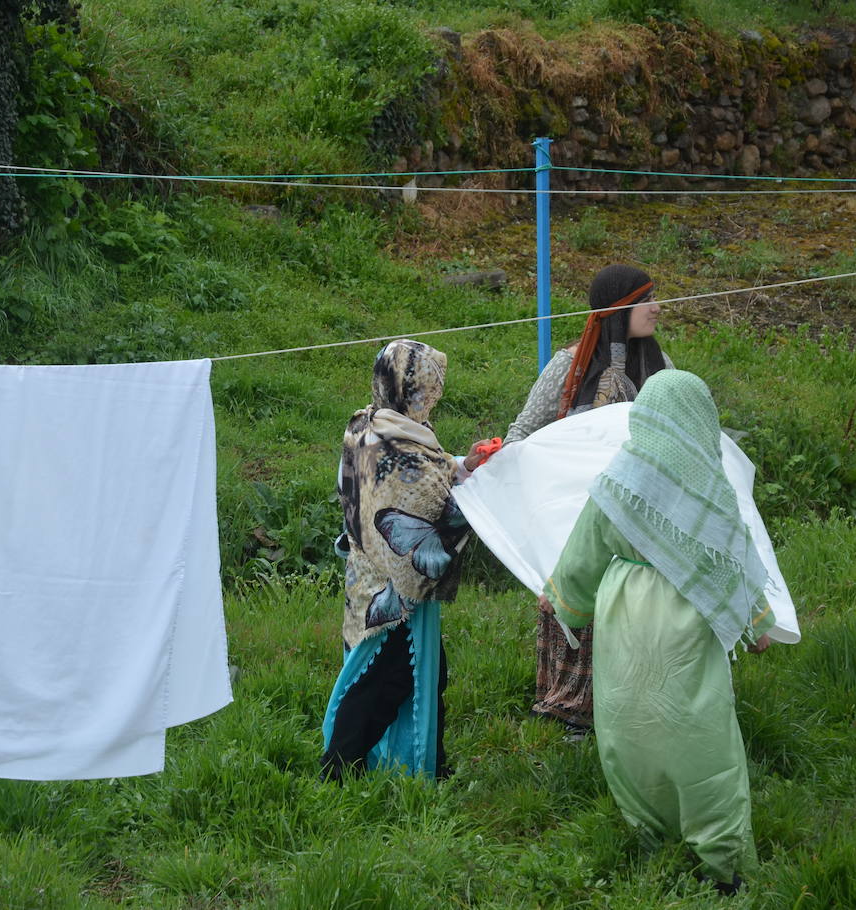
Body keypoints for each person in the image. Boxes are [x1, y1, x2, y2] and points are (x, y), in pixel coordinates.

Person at [539, 370, 774, 895]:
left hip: (625, 618)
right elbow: (731, 556)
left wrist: (568, 609)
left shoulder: (618, 484)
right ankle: (722, 859)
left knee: (630, 724)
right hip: (689, 622)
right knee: (700, 730)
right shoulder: (708, 489)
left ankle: (649, 833)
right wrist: (755, 623)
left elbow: (582, 557)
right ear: (700, 420)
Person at [509, 264, 669, 739]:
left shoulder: (662, 371)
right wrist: (497, 466)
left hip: (639, 524)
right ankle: (573, 709)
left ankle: (633, 707)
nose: (658, 307)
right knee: (580, 606)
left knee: (631, 612)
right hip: (576, 520)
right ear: (620, 310)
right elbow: (525, 433)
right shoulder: (569, 365)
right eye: (647, 299)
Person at [321, 339, 481, 782]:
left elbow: (430, 472)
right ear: (411, 391)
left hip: (366, 576)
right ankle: (338, 770)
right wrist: (480, 500)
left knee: (420, 674)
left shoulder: (371, 424)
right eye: (427, 391)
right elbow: (427, 512)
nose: (431, 399)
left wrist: (463, 465)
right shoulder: (397, 448)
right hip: (390, 591)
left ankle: (426, 762)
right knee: (385, 679)